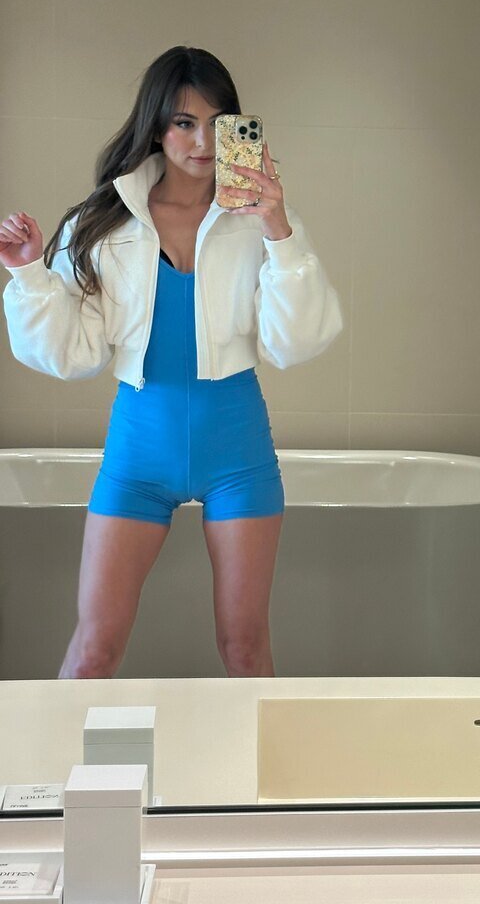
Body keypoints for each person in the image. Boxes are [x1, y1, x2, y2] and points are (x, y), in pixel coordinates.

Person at [0, 46, 343, 678]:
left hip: (238, 452)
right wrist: (27, 274)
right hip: (138, 452)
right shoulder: (103, 222)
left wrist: (277, 228)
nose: (203, 141)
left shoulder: (265, 222)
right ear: (156, 125)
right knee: (94, 651)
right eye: (185, 122)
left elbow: (295, 343)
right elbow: (74, 354)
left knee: (246, 649)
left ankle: (254, 753)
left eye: (218, 123)